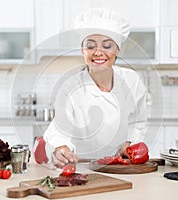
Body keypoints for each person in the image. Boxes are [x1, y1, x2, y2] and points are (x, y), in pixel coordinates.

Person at [33, 8, 148, 168]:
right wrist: (61, 149)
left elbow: (138, 119)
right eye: (90, 46)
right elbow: (61, 127)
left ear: (117, 51)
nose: (98, 52)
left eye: (107, 46)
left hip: (119, 164)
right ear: (83, 51)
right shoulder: (71, 87)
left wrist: (129, 142)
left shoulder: (131, 80)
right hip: (81, 166)